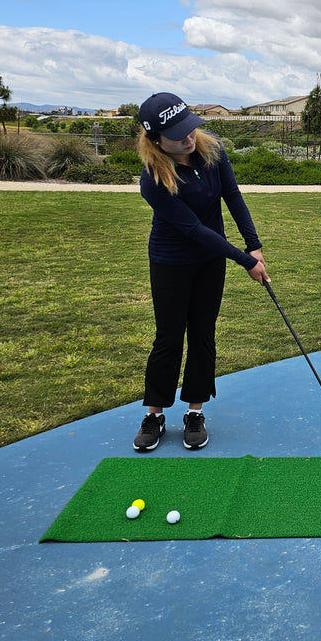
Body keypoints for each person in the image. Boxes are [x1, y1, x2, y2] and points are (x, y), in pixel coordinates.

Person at [132, 92, 268, 452]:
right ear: (156, 140)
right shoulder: (153, 178)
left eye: (190, 128)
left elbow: (232, 195)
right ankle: (155, 414)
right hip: (171, 261)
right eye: (178, 135)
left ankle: (195, 411)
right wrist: (246, 261)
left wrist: (253, 245)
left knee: (203, 333)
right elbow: (193, 229)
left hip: (210, 260)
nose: (188, 138)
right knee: (169, 337)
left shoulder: (213, 150)